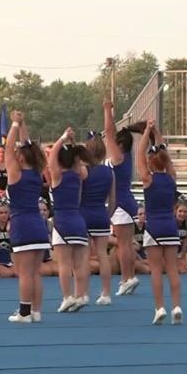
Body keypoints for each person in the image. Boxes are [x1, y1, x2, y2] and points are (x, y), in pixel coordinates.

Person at [4, 111, 51, 323]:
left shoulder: (16, 172)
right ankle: (36, 311)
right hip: (38, 224)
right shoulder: (37, 171)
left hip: (22, 223)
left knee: (24, 272)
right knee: (35, 272)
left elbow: (8, 148)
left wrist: (14, 124)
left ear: (20, 157)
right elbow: (29, 146)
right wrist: (23, 125)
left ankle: (24, 312)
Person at [137, 120, 182, 324]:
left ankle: (159, 307)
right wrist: (158, 133)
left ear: (150, 163)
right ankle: (176, 306)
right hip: (170, 226)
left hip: (154, 227)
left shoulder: (148, 179)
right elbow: (166, 156)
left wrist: (147, 131)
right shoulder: (172, 177)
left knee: (156, 269)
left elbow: (138, 154)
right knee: (172, 268)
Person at [49, 128, 90, 312]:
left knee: (64, 264)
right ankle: (80, 295)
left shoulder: (57, 176)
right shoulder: (78, 176)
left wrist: (63, 137)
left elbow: (51, 158)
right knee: (79, 263)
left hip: (63, 221)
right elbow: (79, 162)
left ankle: (67, 297)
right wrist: (73, 144)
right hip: (78, 220)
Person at [106, 101, 143, 297]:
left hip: (120, 203)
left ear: (120, 144)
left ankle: (126, 278)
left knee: (122, 244)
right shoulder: (127, 156)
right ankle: (129, 277)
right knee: (126, 243)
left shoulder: (119, 157)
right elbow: (111, 135)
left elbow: (109, 132)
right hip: (128, 201)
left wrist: (107, 111)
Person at [79, 130, 117, 305]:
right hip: (101, 214)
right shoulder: (110, 172)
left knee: (84, 255)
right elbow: (113, 199)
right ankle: (106, 293)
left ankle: (84, 293)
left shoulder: (83, 171)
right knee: (102, 255)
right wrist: (107, 215)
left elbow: (78, 196)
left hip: (84, 214)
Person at [175, 197, 187, 274]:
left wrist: (182, 256)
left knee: (183, 269)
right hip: (168, 251)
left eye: (185, 212)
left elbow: (186, 241)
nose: (182, 214)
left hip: (179, 250)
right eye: (180, 211)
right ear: (175, 211)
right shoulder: (170, 221)